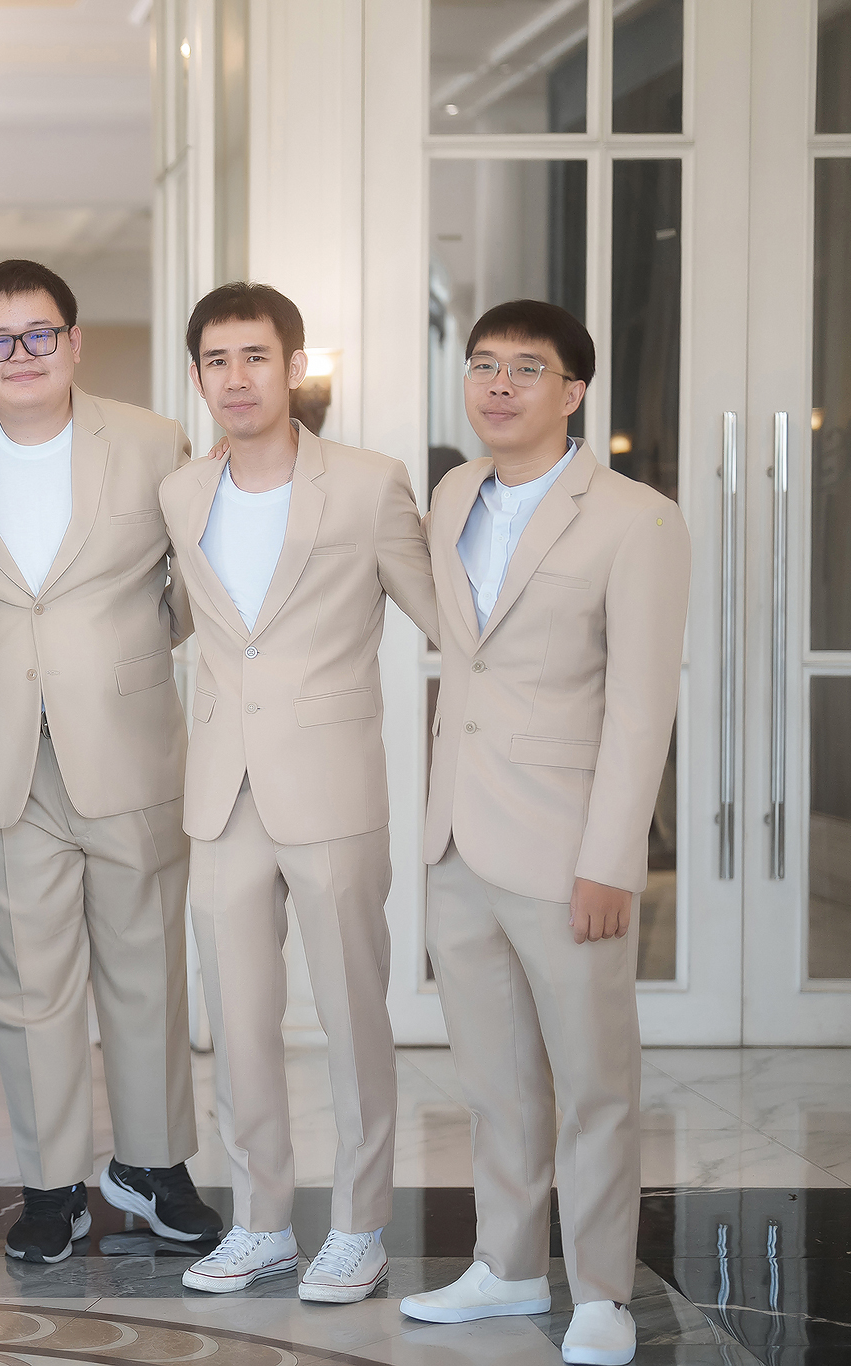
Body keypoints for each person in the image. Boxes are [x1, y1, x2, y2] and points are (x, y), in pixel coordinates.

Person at [0, 260, 222, 1262]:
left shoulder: (154, 442)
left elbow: (190, 590)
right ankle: (51, 1186)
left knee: (147, 973)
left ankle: (155, 1167)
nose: (21, 355)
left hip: (128, 749)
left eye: (39, 334)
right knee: (27, 989)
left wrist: (104, 668)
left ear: (74, 342)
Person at [399, 301, 688, 1366]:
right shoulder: (450, 495)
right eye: (482, 365)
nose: (498, 384)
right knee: (495, 1082)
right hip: (456, 838)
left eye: (526, 368)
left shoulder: (636, 519)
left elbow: (641, 707)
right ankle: (507, 1263)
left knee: (594, 1082)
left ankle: (602, 1290)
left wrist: (612, 859)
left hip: (567, 848)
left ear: (573, 392)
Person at [160, 283, 435, 1302]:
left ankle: (358, 1224)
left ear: (293, 367)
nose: (235, 378)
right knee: (239, 1023)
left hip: (330, 788)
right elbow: (176, 620)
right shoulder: (181, 493)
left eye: (255, 357)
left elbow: (449, 620)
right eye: (216, 360)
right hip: (220, 792)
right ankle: (261, 1220)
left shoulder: (367, 484)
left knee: (354, 1017)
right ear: (198, 376)